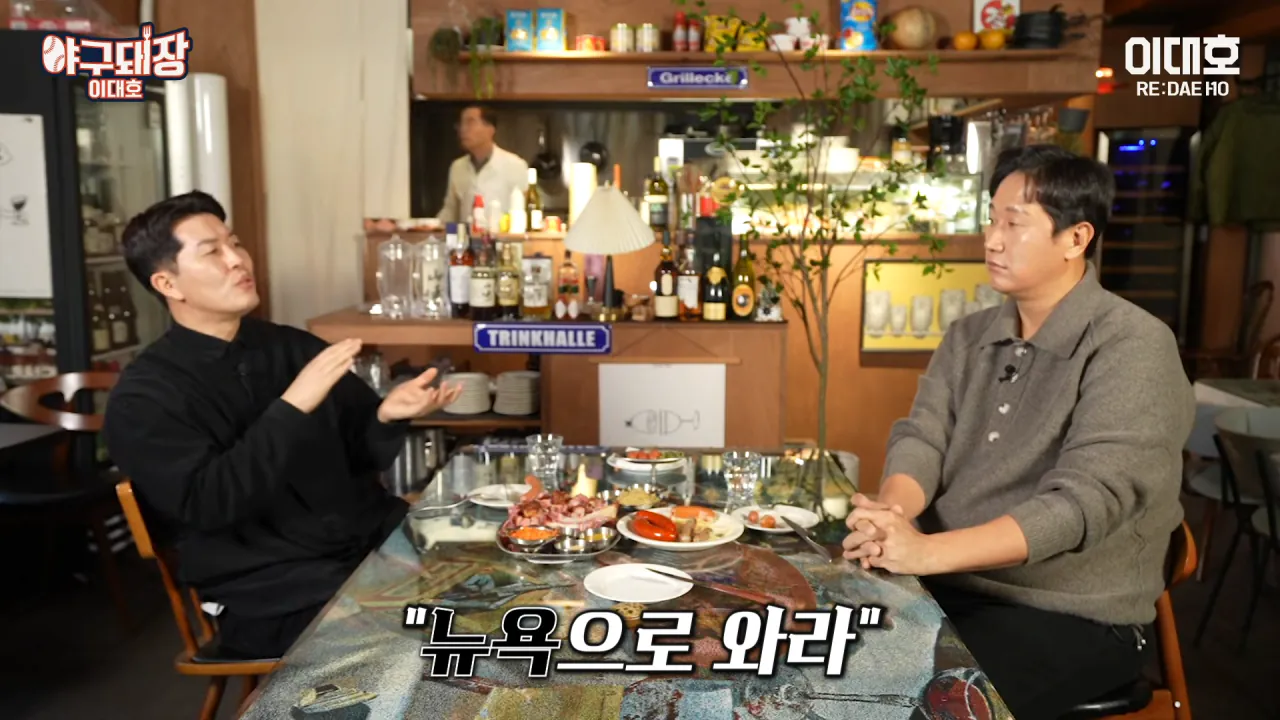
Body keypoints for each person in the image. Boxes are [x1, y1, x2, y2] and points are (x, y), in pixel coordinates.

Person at [841, 145, 1194, 720]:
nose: (993, 240)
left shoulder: (1133, 345)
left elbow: (1083, 503)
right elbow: (922, 437)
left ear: (1076, 238)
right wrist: (893, 517)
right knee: (816, 666)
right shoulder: (968, 335)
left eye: (1014, 223)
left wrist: (926, 551)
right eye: (991, 219)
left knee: (902, 704)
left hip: (1071, 613)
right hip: (947, 586)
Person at [103, 191, 462, 659]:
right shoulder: (144, 396)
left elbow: (360, 454)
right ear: (168, 284)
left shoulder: (292, 347)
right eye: (212, 252)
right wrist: (293, 405)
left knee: (508, 586)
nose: (237, 259)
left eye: (235, 243)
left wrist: (386, 415)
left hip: (371, 547)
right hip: (273, 588)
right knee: (438, 644)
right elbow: (209, 503)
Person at [436, 105, 529, 225]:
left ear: (490, 129)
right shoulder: (457, 167)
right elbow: (450, 210)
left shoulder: (515, 165)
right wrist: (432, 225)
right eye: (461, 124)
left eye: (470, 122)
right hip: (467, 235)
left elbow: (527, 209)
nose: (463, 129)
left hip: (502, 235)